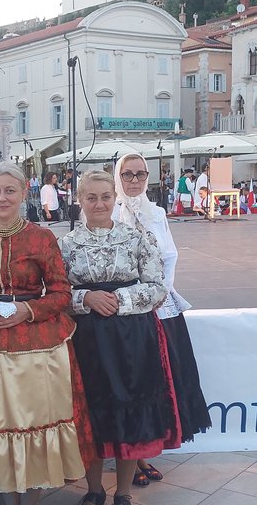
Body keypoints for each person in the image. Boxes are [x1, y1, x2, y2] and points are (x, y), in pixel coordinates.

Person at [0, 162, 94, 505]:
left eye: (9, 190)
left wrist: (29, 310)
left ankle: (30, 496)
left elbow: (61, 292)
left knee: (33, 420)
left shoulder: (42, 238)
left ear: (24, 193)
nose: (2, 197)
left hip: (35, 342)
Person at [61, 170, 181, 505]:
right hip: (87, 338)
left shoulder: (137, 238)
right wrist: (85, 299)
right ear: (80, 201)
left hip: (131, 335)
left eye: (105, 196)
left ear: (115, 199)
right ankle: (94, 489)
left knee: (130, 407)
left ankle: (124, 491)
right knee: (92, 409)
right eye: (91, 197)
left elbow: (157, 287)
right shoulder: (66, 244)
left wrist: (120, 301)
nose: (99, 204)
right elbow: (55, 292)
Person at [114, 154, 211, 487]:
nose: (135, 180)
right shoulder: (107, 211)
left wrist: (158, 292)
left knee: (162, 380)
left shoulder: (156, 213)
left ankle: (148, 448)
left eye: (141, 174)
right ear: (118, 177)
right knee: (134, 380)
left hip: (159, 303)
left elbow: (169, 254)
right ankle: (132, 455)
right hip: (124, 310)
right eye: (128, 174)